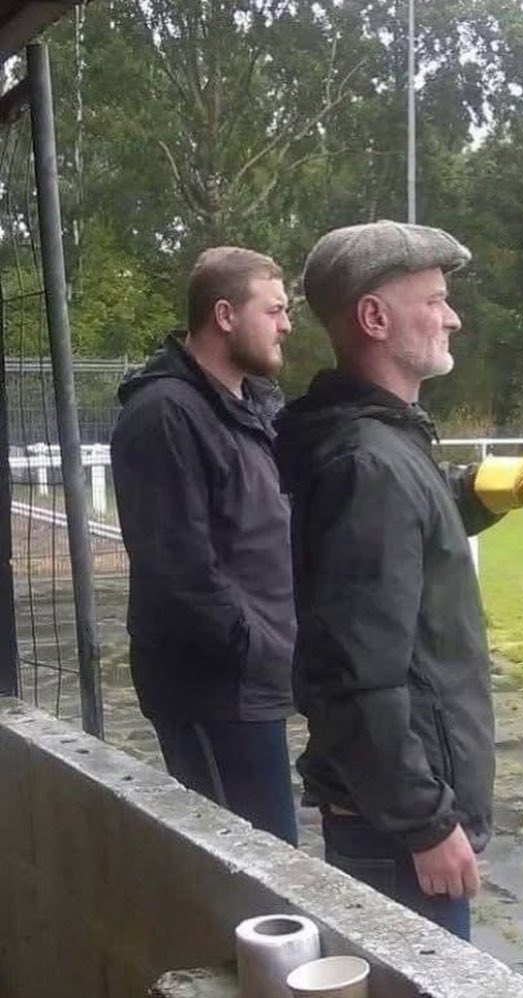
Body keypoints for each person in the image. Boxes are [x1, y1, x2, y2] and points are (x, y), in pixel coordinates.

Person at [275, 220, 523, 937]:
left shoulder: (379, 439)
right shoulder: (367, 461)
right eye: (434, 300)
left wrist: (493, 486)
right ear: (374, 318)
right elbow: (355, 677)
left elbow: (406, 526)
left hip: (393, 818)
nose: (453, 317)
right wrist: (425, 824)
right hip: (395, 833)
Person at [110, 246, 298, 846]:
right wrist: (257, 648)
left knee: (277, 872)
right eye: (273, 310)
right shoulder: (164, 414)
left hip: (254, 688)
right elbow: (179, 572)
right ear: (224, 315)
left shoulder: (253, 407)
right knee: (252, 874)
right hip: (213, 692)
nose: (287, 325)